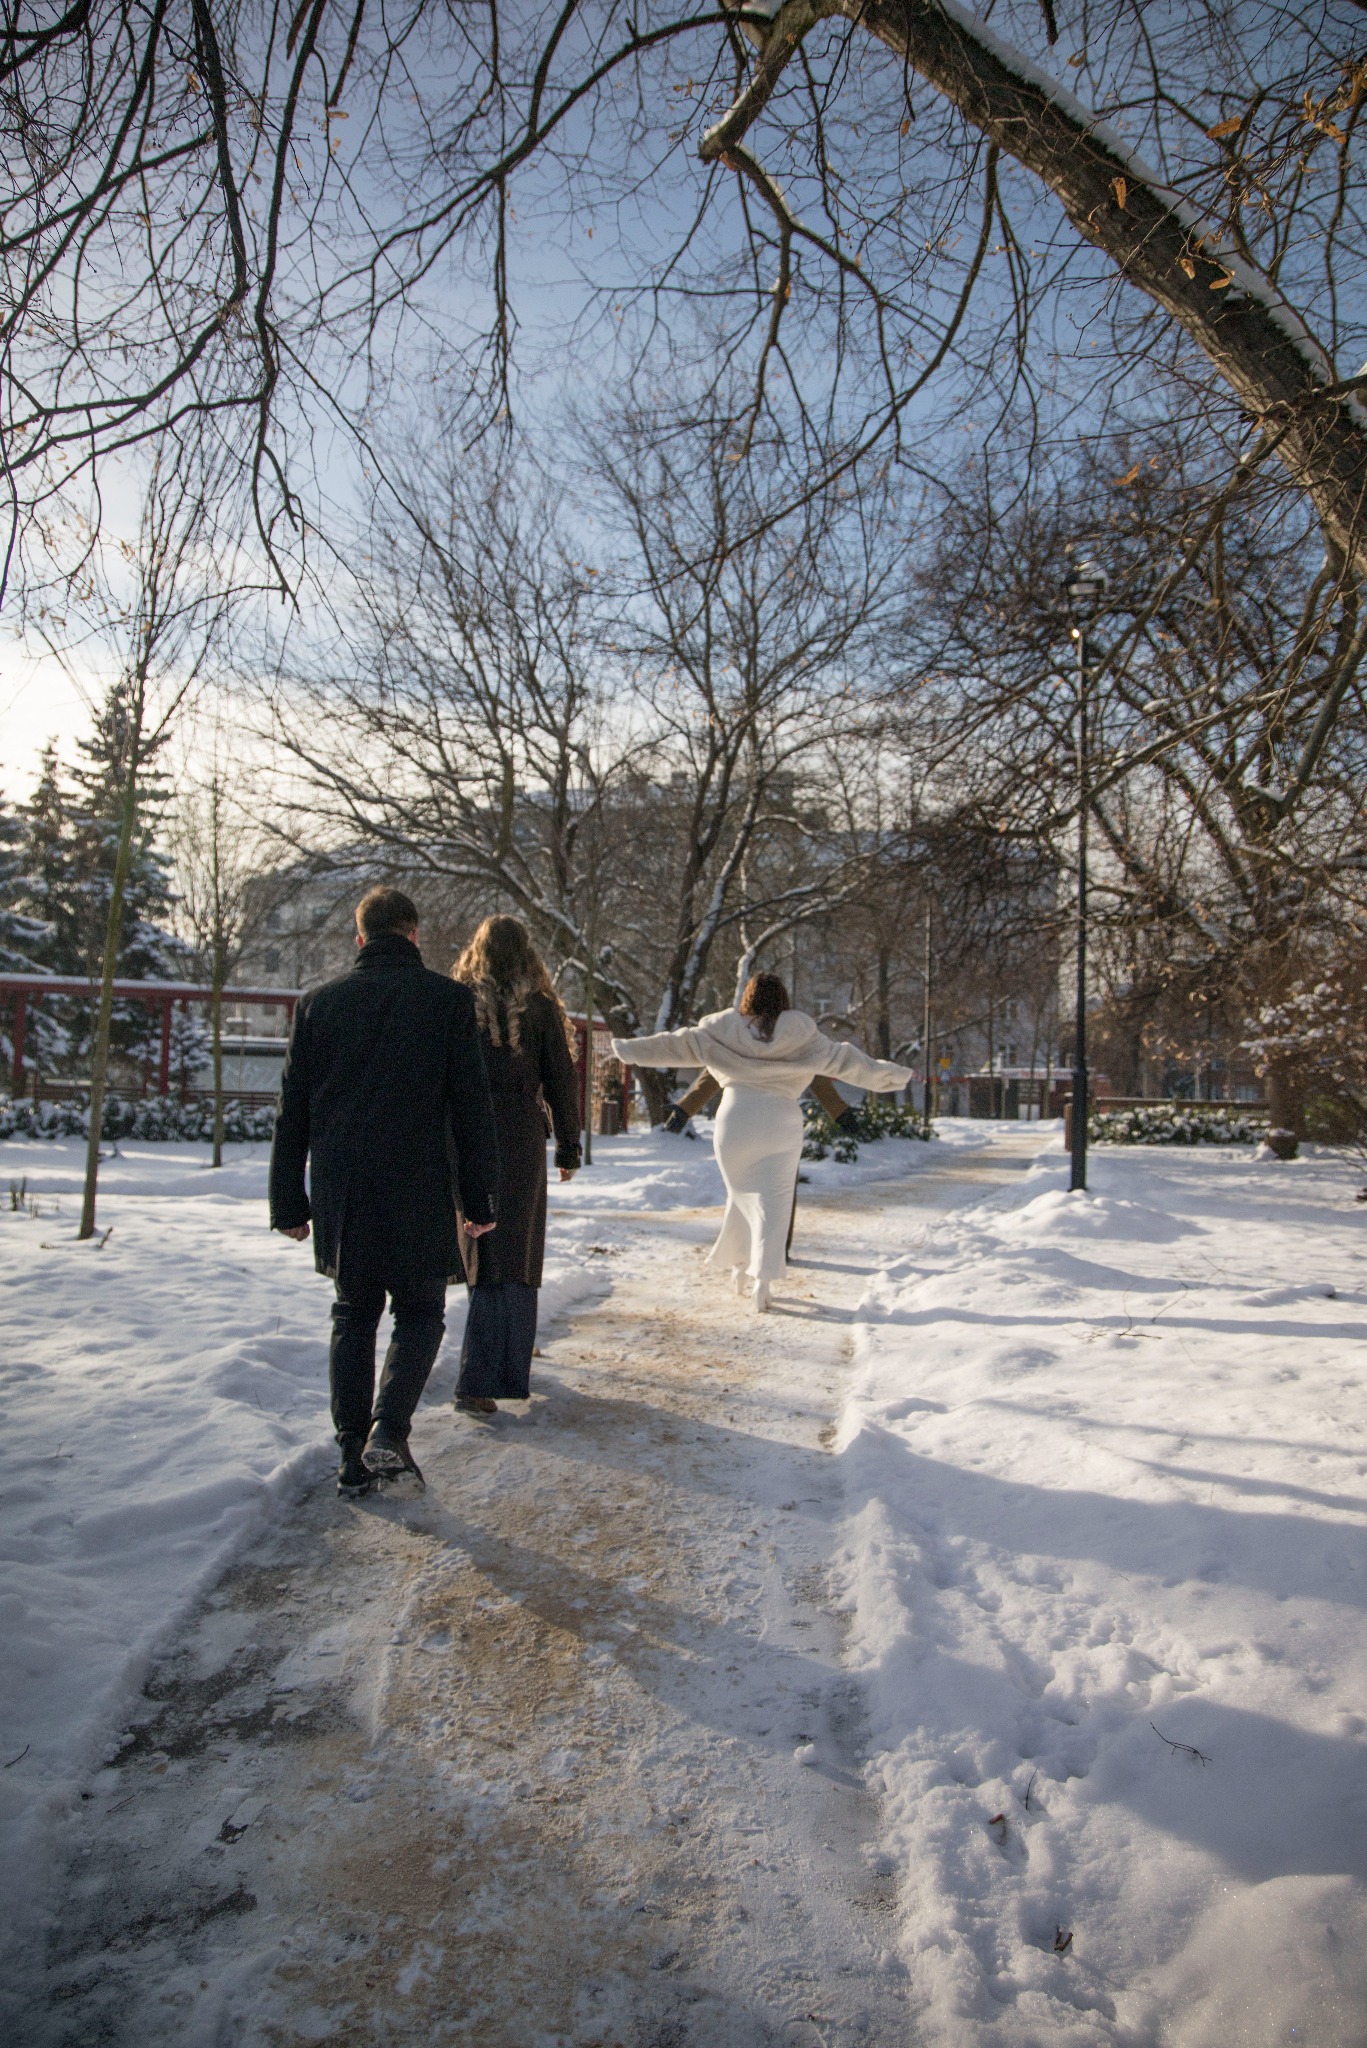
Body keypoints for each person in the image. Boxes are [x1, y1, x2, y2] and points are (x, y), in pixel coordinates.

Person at [269, 887, 500, 1494]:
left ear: (361, 938)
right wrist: (479, 1202)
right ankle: (388, 1431)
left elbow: (292, 1113)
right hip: (421, 1182)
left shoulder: (318, 1005)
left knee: (354, 1313)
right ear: (415, 935)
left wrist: (289, 1204)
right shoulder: (450, 1002)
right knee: (421, 1312)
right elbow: (471, 1110)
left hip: (345, 1187)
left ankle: (351, 1456)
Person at [613, 973, 912, 1310]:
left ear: (746, 998)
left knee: (740, 1196)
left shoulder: (722, 1033)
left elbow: (674, 1044)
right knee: (775, 1202)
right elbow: (848, 1061)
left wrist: (627, 1049)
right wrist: (894, 1075)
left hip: (735, 1120)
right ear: (784, 1001)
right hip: (781, 1121)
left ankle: (740, 1267)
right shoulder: (804, 1038)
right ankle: (762, 1281)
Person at [450, 916, 582, 1412]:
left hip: (464, 1137)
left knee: (480, 1249)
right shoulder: (540, 1010)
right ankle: (493, 1373)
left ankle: (481, 1375)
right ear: (527, 955)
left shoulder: (456, 1003)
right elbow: (562, 1083)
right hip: (520, 1137)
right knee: (519, 1253)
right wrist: (569, 1148)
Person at [664, 1068, 859, 1257]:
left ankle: (773, 1250)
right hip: (747, 1123)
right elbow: (718, 1064)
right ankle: (750, 1248)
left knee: (780, 1187)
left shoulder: (792, 1037)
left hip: (775, 1122)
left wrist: (840, 1111)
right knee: (750, 1188)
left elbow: (813, 1067)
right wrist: (685, 1108)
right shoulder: (738, 1036)